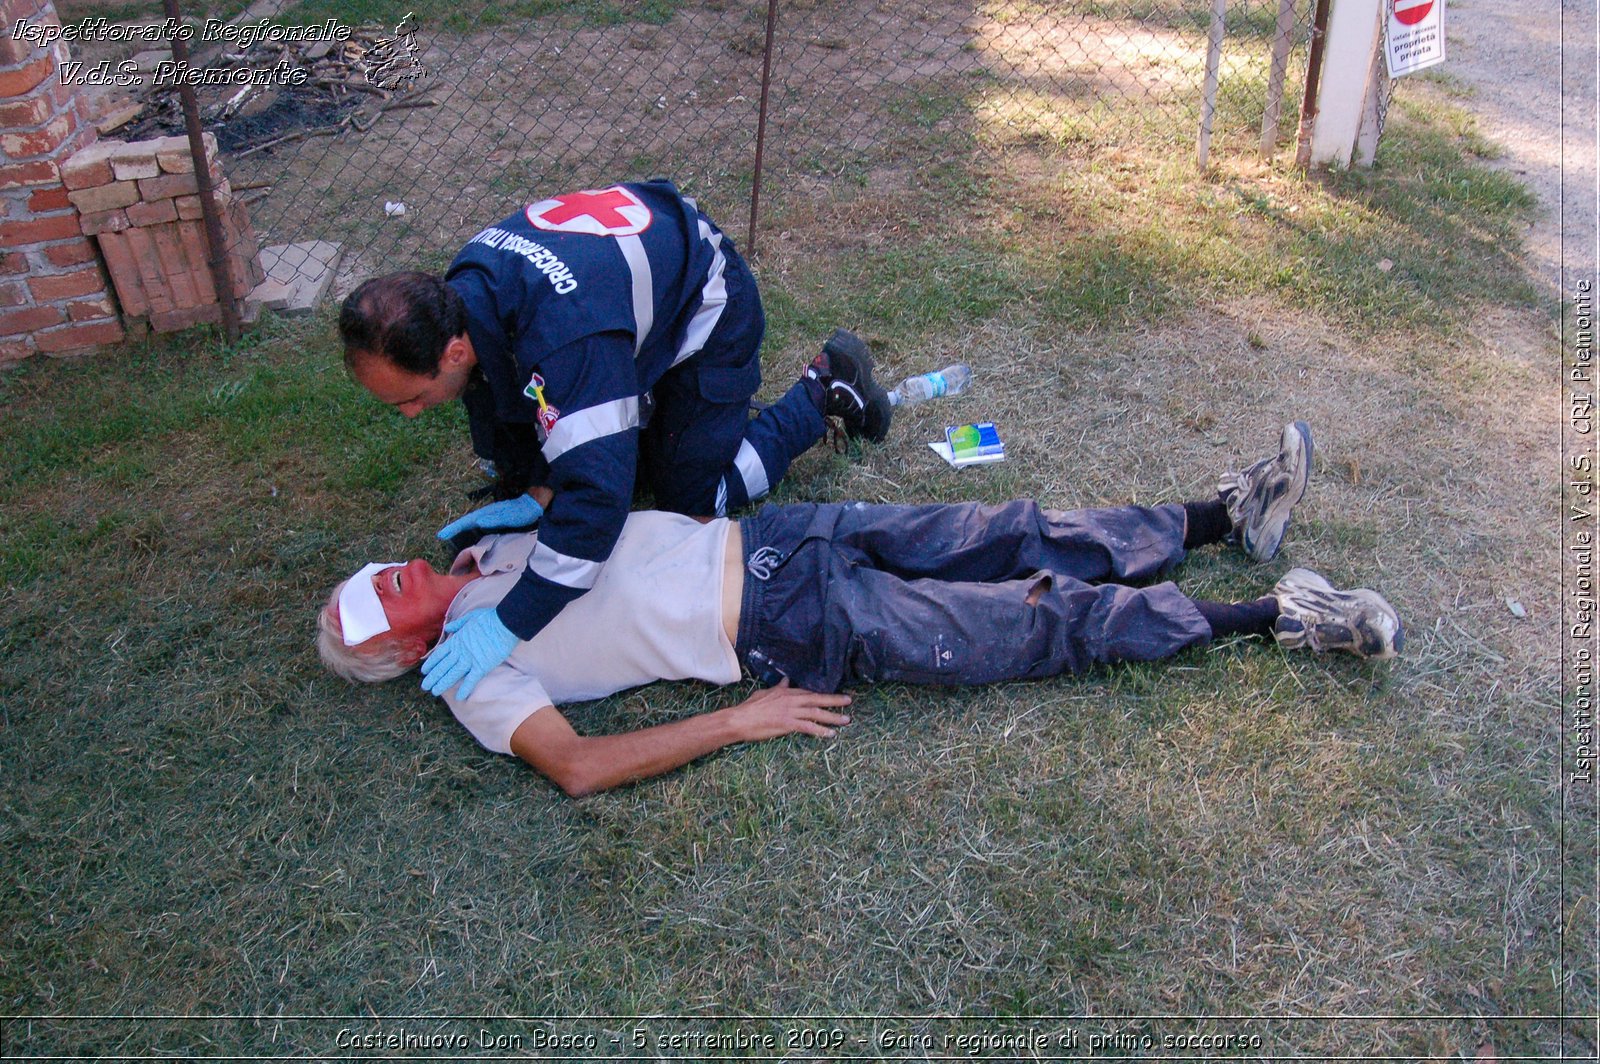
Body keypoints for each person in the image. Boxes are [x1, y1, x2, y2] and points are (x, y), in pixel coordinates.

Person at [317, 423, 1403, 797]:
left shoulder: (484, 541)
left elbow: (585, 499)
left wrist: (536, 502)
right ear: (400, 647)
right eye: (386, 599)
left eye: (383, 569)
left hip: (779, 536)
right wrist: (737, 719)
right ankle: (1279, 615)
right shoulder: (472, 680)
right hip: (779, 627)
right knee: (1024, 620)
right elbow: (579, 766)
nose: (396, 572)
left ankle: (1223, 514)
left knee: (1002, 527)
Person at [338, 178, 893, 703]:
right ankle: (653, 418)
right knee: (607, 450)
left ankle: (824, 390)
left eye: (409, 397)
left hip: (707, 307)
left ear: (453, 353)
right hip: (629, 293)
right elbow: (500, 390)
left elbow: (597, 507)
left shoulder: (563, 342)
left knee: (693, 503)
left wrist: (510, 622)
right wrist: (535, 490)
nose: (411, 414)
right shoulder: (460, 294)